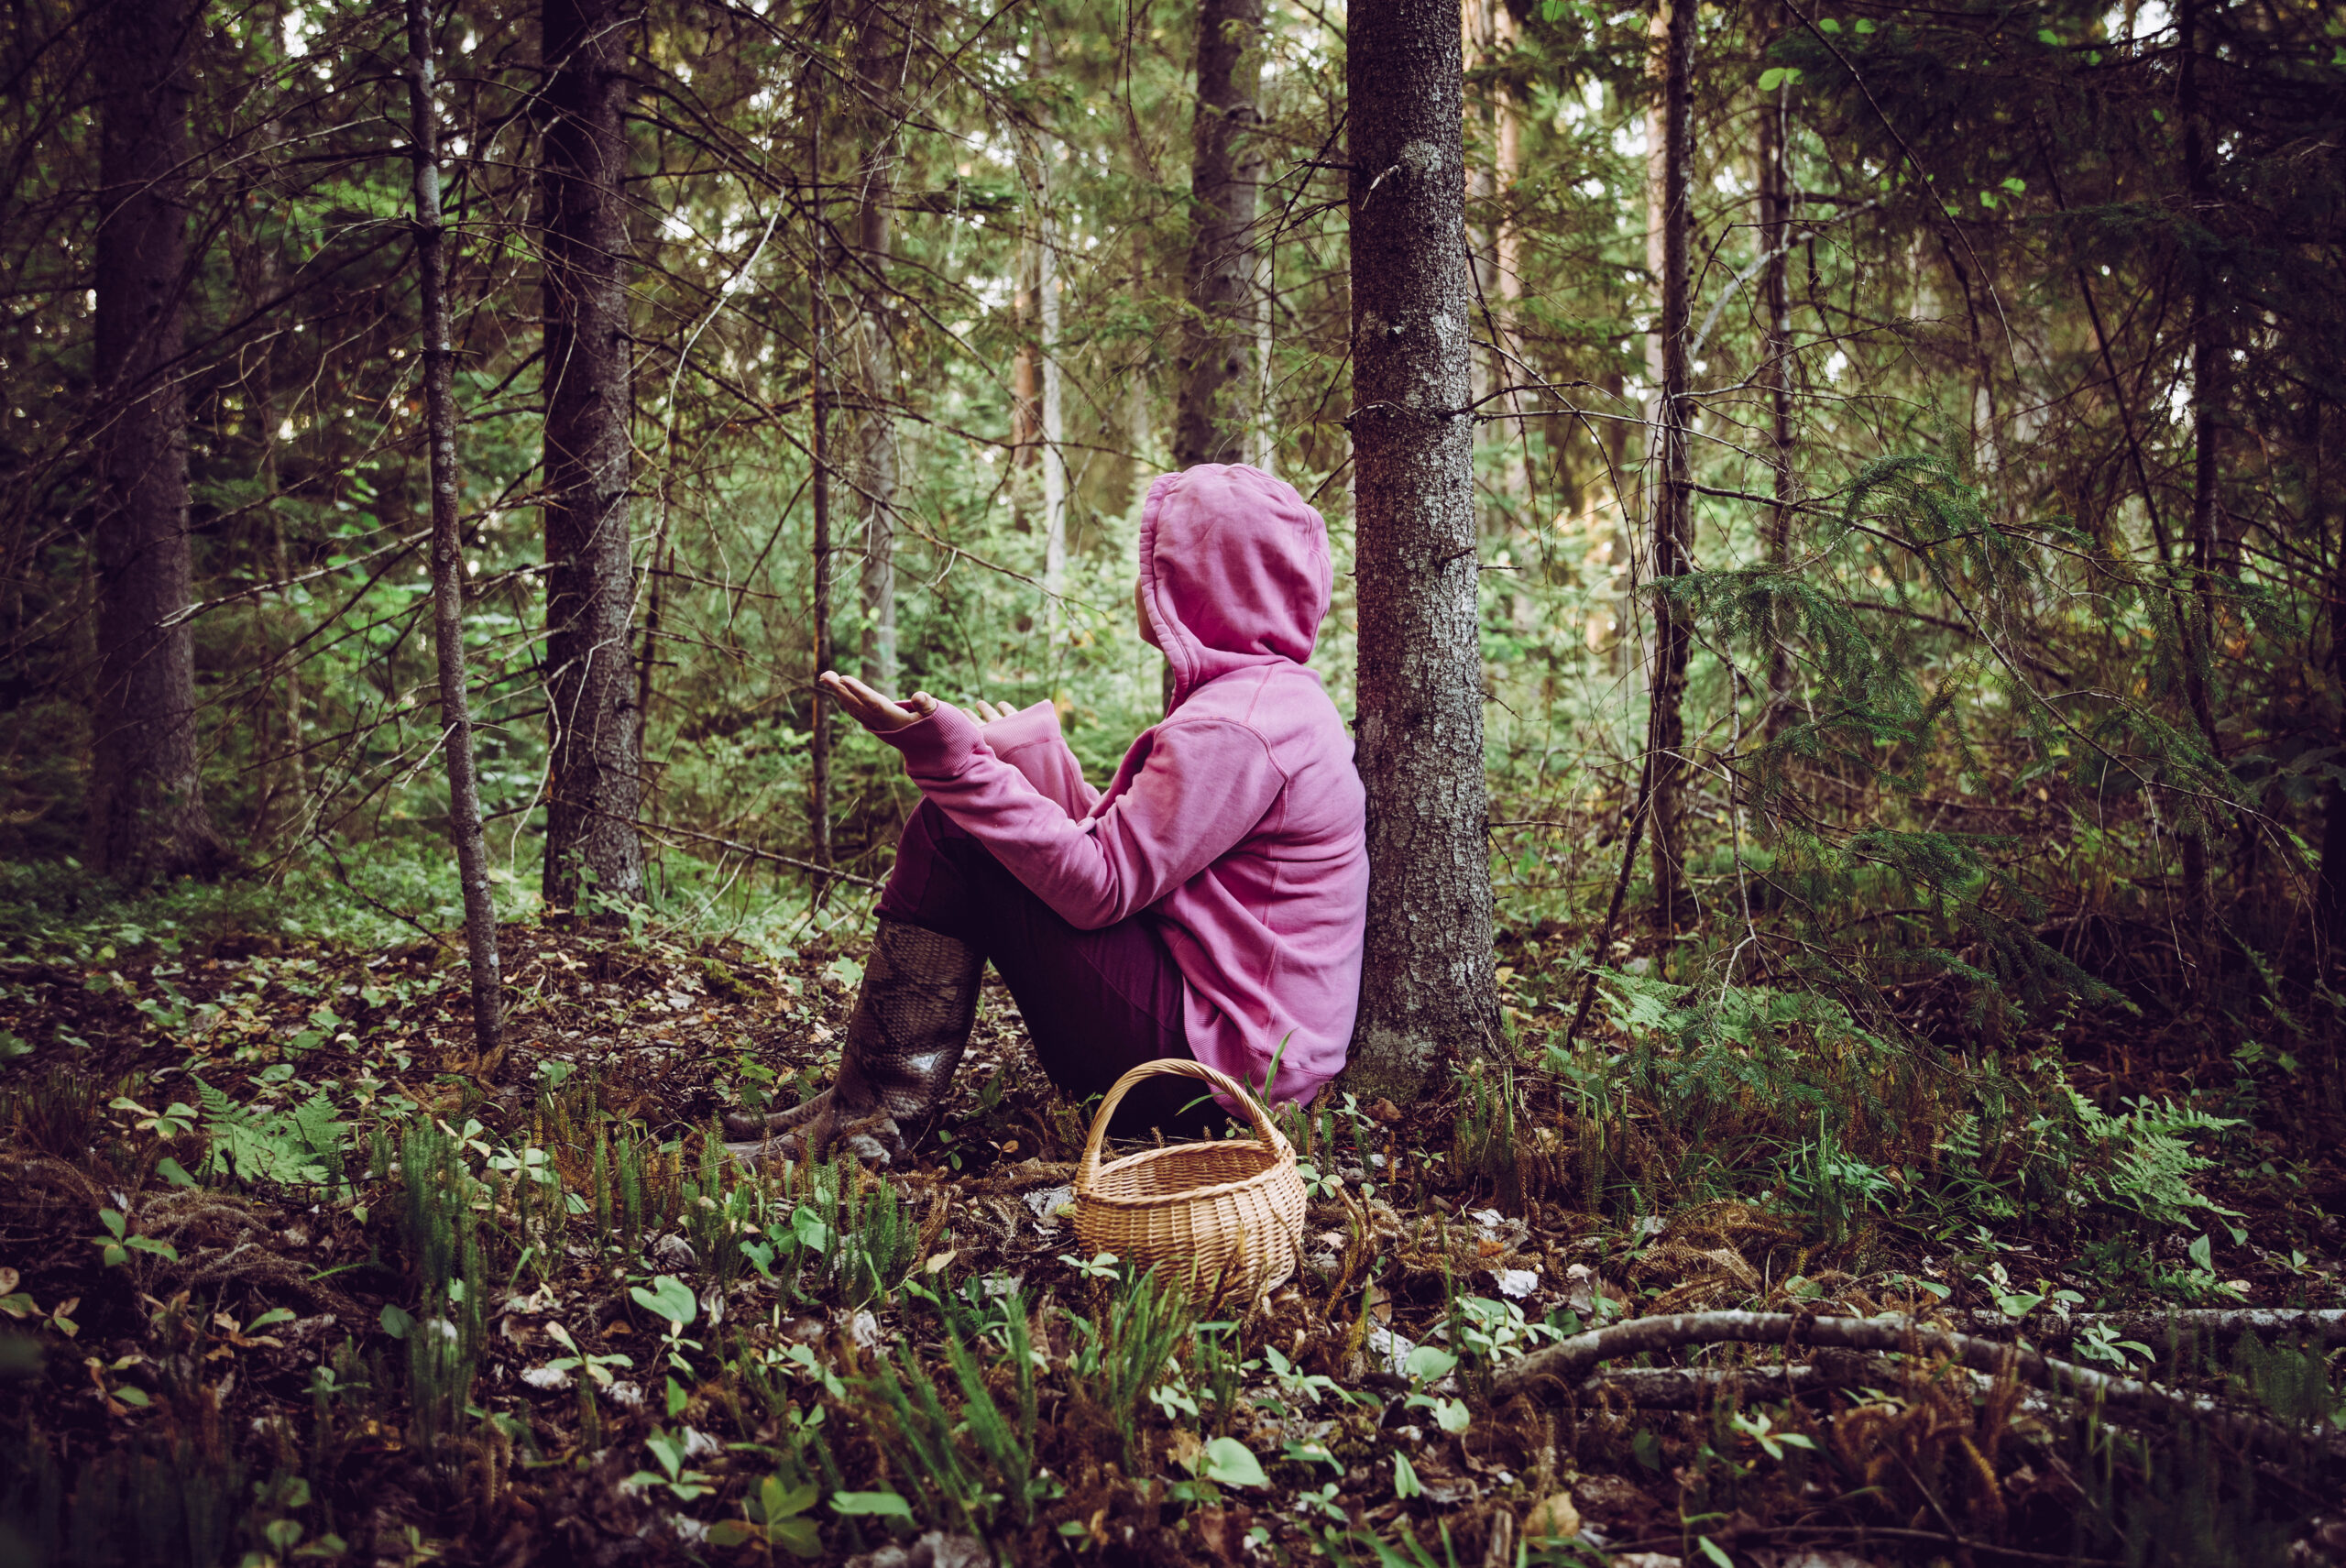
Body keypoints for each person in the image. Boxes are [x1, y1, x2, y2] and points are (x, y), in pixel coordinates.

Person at [738, 463, 1368, 1167]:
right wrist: (1026, 757)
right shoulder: (1266, 704)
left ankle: (869, 1117)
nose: (1143, 584)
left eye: (1159, 565)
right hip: (1237, 1051)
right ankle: (857, 1102)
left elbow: (1098, 888)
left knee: (957, 831)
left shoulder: (1237, 727)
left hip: (1212, 1078)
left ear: (1204, 585)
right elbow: (1134, 856)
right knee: (968, 818)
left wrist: (957, 763)